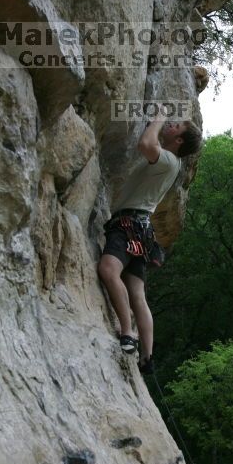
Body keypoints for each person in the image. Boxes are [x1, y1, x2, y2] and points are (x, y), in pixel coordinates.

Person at [98, 110, 202, 373]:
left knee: (109, 271)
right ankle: (148, 356)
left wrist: (159, 115)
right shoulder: (169, 163)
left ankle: (127, 332)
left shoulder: (168, 160)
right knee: (137, 294)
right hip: (141, 230)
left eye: (175, 126)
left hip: (128, 225)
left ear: (178, 141)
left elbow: (145, 144)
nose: (170, 124)